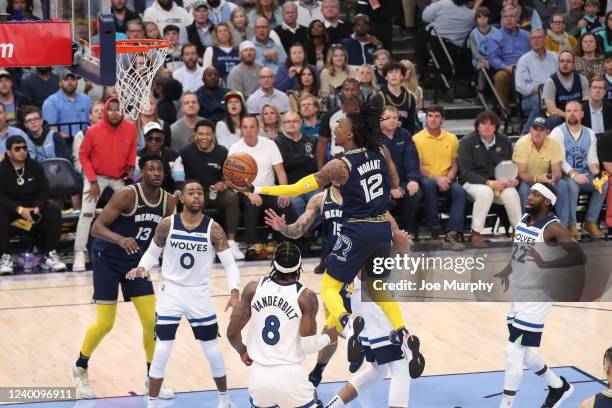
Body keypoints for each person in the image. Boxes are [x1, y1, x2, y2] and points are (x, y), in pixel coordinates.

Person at [228, 101, 419, 370]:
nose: (336, 127)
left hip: (358, 227)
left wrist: (255, 187)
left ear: (350, 134)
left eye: (340, 125)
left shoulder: (339, 166)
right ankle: (404, 333)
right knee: (377, 289)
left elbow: (294, 189)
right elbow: (396, 183)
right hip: (381, 228)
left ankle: (348, 322)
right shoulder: (382, 150)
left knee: (329, 286)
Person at [71, 153, 177, 399]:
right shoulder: (128, 195)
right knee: (106, 323)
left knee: (152, 322)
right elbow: (97, 228)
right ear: (142, 172)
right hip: (107, 258)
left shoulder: (169, 202)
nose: (156, 173)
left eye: (160, 169)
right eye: (151, 168)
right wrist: (120, 239)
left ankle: (152, 378)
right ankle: (80, 367)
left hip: (136, 264)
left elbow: (169, 235)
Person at [126, 180, 239, 408]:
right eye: (191, 192)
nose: (196, 196)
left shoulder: (213, 228)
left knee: (212, 350)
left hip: (198, 294)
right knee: (162, 348)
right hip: (171, 292)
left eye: (199, 192)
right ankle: (152, 403)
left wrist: (234, 290)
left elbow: (230, 264)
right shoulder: (168, 224)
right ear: (182, 198)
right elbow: (151, 253)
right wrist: (142, 267)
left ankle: (225, 400)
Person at [494, 183, 579, 408]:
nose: (529, 197)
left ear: (548, 201)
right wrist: (507, 270)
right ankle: (558, 386)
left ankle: (506, 405)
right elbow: (519, 252)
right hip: (518, 291)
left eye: (536, 194)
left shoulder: (554, 228)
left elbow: (578, 256)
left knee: (512, 350)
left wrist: (545, 264)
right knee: (522, 347)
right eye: (530, 192)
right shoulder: (524, 219)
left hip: (537, 296)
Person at [226, 242, 327, 408]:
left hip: (258, 377)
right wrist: (327, 337)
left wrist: (242, 350)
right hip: (290, 376)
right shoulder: (305, 297)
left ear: (274, 264)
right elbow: (308, 347)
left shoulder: (253, 289)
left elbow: (231, 333)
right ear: (299, 265)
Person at [72, 98, 138, 274]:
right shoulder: (93, 131)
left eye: (118, 110)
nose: (114, 113)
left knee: (134, 209)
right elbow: (83, 156)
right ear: (106, 111)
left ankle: (138, 249)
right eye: (111, 110)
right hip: (96, 176)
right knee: (87, 211)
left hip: (119, 176)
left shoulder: (131, 127)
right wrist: (92, 181)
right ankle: (80, 252)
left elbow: (132, 149)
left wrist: (131, 168)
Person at [0, 135, 66, 275]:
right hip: (11, 207)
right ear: (8, 152)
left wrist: (37, 207)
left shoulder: (35, 166)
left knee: (53, 210)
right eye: (17, 149)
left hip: (32, 206)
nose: (22, 151)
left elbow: (44, 190)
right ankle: (4, 256)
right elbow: (1, 196)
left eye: (24, 148)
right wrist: (19, 210)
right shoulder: (2, 169)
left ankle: (49, 254)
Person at [179, 119, 244, 259]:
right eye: (201, 134)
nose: (204, 137)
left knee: (232, 198)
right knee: (194, 201)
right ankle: (201, 244)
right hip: (195, 193)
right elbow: (179, 178)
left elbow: (228, 177)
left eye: (207, 134)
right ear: (195, 135)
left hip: (216, 192)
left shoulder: (222, 152)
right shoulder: (186, 152)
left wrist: (224, 184)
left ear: (213, 135)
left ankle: (231, 243)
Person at [228, 115, 292, 255]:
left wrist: (284, 192)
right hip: (246, 191)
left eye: (252, 127)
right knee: (252, 204)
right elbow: (232, 179)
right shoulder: (235, 148)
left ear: (258, 129)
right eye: (245, 127)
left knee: (283, 202)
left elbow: (280, 172)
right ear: (241, 130)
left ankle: (283, 243)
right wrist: (249, 194)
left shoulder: (270, 144)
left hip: (269, 190)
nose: (249, 130)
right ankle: (251, 245)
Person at [458, 111, 522, 247]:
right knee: (485, 192)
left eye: (491, 124)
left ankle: (520, 234)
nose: (487, 127)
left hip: (499, 184)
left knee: (512, 193)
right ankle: (476, 234)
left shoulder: (504, 141)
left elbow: (510, 166)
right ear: (477, 126)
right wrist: (489, 183)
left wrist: (514, 180)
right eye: (484, 124)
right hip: (472, 184)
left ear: (496, 127)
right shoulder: (466, 142)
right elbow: (466, 172)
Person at [549, 100, 607, 239]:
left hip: (584, 173)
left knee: (604, 183)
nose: (572, 114)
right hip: (564, 175)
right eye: (568, 111)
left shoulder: (590, 133)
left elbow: (592, 159)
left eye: (575, 110)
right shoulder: (557, 132)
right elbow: (560, 159)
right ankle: (571, 225)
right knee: (572, 187)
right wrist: (574, 174)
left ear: (582, 114)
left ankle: (590, 222)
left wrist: (596, 172)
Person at [413, 105, 466, 250]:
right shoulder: (417, 139)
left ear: (443, 119)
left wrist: (447, 179)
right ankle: (434, 229)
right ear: (426, 118)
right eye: (430, 116)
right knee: (429, 184)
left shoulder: (452, 138)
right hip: (427, 178)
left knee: (459, 191)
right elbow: (419, 167)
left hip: (446, 179)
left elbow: (455, 165)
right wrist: (437, 179)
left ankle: (452, 233)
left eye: (437, 116)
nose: (433, 119)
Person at [512, 116, 570, 225]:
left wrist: (552, 178)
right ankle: (525, 227)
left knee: (562, 185)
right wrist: (538, 179)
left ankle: (563, 227)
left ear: (547, 132)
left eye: (541, 130)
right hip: (527, 180)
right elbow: (522, 173)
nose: (537, 133)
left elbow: (557, 172)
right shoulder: (521, 143)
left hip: (545, 180)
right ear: (530, 129)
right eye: (535, 128)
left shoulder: (554, 144)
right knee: (524, 191)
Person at [381, 106, 422, 236]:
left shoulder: (405, 134)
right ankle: (386, 234)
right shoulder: (373, 138)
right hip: (381, 184)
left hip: (403, 181)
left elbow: (412, 160)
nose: (392, 121)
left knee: (415, 192)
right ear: (380, 119)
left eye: (395, 118)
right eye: (388, 118)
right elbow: (376, 167)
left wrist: (413, 180)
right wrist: (391, 187)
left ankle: (406, 232)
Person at [488, 6, 531, 113]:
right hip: (507, 70)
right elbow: (493, 58)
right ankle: (506, 111)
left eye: (511, 16)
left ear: (517, 19)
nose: (508, 19)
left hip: (526, 70)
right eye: (505, 17)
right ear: (502, 19)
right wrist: (505, 67)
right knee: (500, 77)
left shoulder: (527, 35)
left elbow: (533, 54)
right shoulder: (495, 36)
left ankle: (530, 108)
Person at [515, 28, 559, 133]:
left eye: (539, 37)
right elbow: (520, 86)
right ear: (530, 41)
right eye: (533, 38)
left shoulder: (555, 57)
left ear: (545, 39)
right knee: (541, 100)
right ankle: (526, 133)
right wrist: (542, 91)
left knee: (554, 117)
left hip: (556, 96)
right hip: (531, 99)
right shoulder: (524, 60)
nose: (536, 40)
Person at [275, 111, 318, 217]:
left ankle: (309, 229)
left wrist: (294, 160)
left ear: (301, 122)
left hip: (310, 185)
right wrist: (307, 157)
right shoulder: (277, 142)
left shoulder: (312, 140)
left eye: (295, 121)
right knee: (296, 204)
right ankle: (304, 231)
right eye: (288, 121)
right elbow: (285, 162)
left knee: (321, 200)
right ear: (282, 124)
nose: (291, 124)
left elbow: (315, 164)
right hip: (290, 186)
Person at [316, 78, 361, 169]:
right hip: (337, 160)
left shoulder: (368, 114)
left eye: (353, 89)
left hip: (362, 160)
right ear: (341, 91)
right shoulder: (330, 115)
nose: (350, 93)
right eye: (347, 90)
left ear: (359, 91)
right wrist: (320, 170)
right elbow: (322, 144)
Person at [542, 50, 590, 130]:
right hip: (561, 116)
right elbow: (551, 109)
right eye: (562, 61)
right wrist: (568, 115)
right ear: (558, 64)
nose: (565, 64)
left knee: (589, 113)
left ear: (573, 64)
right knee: (554, 119)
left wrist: (576, 114)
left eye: (568, 61)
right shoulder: (550, 82)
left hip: (579, 115)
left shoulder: (582, 79)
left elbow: (587, 102)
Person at [42, 71, 91, 140]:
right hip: (63, 143)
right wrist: (72, 139)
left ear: (77, 82)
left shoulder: (86, 99)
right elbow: (51, 129)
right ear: (60, 83)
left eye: (73, 79)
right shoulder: (50, 102)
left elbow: (92, 122)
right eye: (66, 79)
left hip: (86, 140)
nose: (70, 82)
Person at [136, 122, 184, 194]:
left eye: (157, 139)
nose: (153, 142)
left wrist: (175, 197)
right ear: (145, 140)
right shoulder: (137, 156)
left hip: (169, 194)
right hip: (144, 194)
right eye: (150, 139)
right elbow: (137, 180)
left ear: (162, 140)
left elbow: (179, 181)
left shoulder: (174, 156)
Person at [375, 62, 417, 134]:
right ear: (386, 77)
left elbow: (411, 125)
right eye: (390, 72)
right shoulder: (378, 98)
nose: (394, 75)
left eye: (397, 72)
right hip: (383, 139)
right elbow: (373, 125)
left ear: (402, 76)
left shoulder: (410, 98)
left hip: (404, 139)